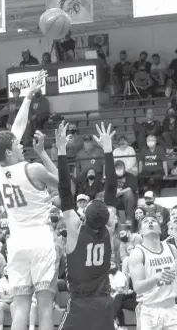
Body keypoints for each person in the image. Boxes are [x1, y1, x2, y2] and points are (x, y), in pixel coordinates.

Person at [0, 70, 59, 330]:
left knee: (20, 308)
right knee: (44, 307)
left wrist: (28, 96)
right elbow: (63, 184)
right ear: (9, 151)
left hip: (16, 242)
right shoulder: (33, 169)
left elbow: (16, 128)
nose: (21, 145)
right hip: (40, 239)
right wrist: (46, 153)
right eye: (16, 146)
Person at [56, 121, 117, 330]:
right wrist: (108, 150)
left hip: (80, 305)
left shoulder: (75, 229)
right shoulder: (109, 228)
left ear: (85, 214)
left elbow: (65, 190)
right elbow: (111, 188)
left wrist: (61, 150)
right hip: (104, 302)